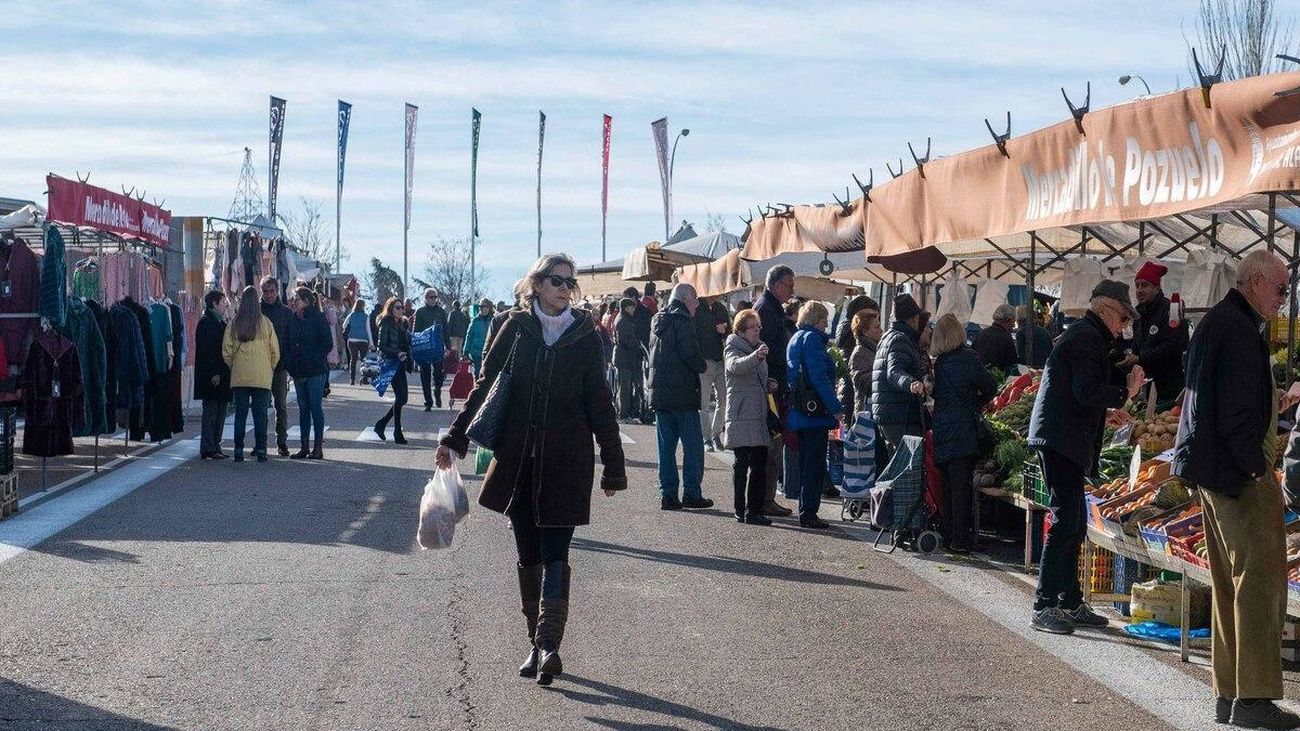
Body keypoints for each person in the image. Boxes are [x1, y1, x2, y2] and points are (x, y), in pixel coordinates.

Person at [435, 253, 625, 687]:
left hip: (566, 462)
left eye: (569, 283)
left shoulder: (585, 334)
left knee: (557, 553)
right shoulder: (515, 327)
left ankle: (549, 646)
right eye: (556, 280)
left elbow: (600, 401)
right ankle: (537, 645)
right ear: (537, 284)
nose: (564, 288)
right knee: (528, 557)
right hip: (519, 461)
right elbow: (485, 383)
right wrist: (454, 437)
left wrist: (613, 464)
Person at [1175, 251, 1298, 728]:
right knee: (1259, 583)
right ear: (1254, 282)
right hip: (1236, 475)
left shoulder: (1217, 322)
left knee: (1228, 584)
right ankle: (1255, 698)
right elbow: (1235, 412)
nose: (1284, 299)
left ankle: (1229, 694)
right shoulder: (1238, 330)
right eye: (1281, 289)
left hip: (1212, 472)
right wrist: (1256, 469)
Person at [1027, 280, 1145, 636]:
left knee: (1075, 522)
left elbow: (1077, 394)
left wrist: (1104, 413)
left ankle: (1068, 600)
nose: (1124, 326)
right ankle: (1044, 604)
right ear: (1107, 309)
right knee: (1066, 521)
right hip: (1060, 439)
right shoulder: (1086, 338)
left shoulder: (1087, 336)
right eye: (1123, 317)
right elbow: (1085, 390)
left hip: (1063, 435)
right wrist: (1126, 393)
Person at [930, 314, 998, 553]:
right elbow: (991, 387)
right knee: (962, 489)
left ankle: (949, 536)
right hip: (963, 430)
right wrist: (976, 402)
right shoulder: (969, 358)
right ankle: (960, 540)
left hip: (941, 428)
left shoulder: (939, 364)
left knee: (948, 487)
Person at [648, 283, 711, 510]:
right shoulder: (682, 320)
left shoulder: (658, 320)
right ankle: (692, 493)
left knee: (666, 449)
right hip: (682, 394)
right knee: (693, 447)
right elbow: (690, 354)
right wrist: (702, 365)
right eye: (695, 298)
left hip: (660, 395)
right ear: (685, 299)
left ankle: (668, 495)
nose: (697, 304)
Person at [786, 301, 842, 530]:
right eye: (824, 320)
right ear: (816, 320)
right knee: (814, 464)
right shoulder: (812, 340)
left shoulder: (795, 338)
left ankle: (806, 508)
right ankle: (809, 512)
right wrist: (836, 406)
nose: (826, 325)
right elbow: (819, 378)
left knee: (805, 462)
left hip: (799, 410)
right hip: (814, 413)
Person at [723, 309, 773, 526]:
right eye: (753, 326)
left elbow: (756, 376)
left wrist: (770, 383)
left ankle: (755, 510)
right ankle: (739, 508)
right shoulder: (732, 347)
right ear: (741, 330)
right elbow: (736, 366)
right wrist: (757, 356)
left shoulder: (758, 348)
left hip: (758, 413)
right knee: (742, 463)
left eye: (758, 326)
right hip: (741, 414)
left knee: (760, 464)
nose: (757, 330)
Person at [755, 265, 797, 517]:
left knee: (774, 445)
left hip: (775, 385)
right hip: (770, 388)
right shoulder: (766, 309)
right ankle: (764, 499)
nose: (792, 291)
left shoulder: (772, 308)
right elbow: (767, 350)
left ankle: (766, 497)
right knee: (770, 445)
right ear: (777, 285)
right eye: (789, 286)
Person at [222, 286, 280, 463]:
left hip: (240, 376)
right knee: (260, 415)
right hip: (261, 376)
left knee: (240, 414)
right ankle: (261, 450)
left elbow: (226, 350)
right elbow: (275, 351)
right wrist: (268, 367)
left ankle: (238, 450)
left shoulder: (234, 323)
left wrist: (235, 365)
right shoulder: (266, 323)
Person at [1122, 261, 1189, 406]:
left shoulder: (1170, 311)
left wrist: (1139, 357)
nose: (1139, 290)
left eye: (1144, 285)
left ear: (1156, 288)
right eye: (1137, 285)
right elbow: (1137, 347)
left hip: (1169, 389)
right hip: (1146, 390)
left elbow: (1175, 345)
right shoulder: (1138, 315)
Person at [872, 293, 929, 455]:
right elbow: (894, 371)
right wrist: (911, 383)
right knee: (907, 469)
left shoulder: (888, 337)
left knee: (898, 465)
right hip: (900, 414)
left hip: (889, 413)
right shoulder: (900, 339)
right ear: (912, 318)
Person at [285, 287, 333, 460]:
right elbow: (288, 342)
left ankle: (317, 448)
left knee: (315, 407)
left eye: (296, 298)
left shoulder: (318, 317)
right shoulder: (293, 318)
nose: (294, 300)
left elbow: (327, 344)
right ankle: (304, 447)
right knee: (303, 408)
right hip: (298, 370)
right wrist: (289, 362)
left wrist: (314, 358)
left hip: (315, 370)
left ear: (305, 300)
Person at [259, 276, 294, 457]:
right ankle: (261, 443)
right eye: (265, 291)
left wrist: (287, 361)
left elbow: (290, 340)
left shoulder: (286, 313)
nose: (269, 295)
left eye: (272, 291)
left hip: (280, 367)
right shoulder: (255, 311)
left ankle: (282, 442)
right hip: (260, 366)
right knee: (261, 406)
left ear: (277, 291)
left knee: (280, 405)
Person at [194, 290, 231, 460]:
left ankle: (215, 445)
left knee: (221, 411)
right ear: (214, 304)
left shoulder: (221, 323)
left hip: (223, 375)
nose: (225, 305)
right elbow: (206, 351)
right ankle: (208, 447)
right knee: (211, 412)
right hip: (212, 376)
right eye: (223, 302)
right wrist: (214, 372)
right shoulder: (205, 323)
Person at [373, 297, 412, 444]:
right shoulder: (386, 322)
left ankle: (381, 424)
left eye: (402, 308)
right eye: (397, 307)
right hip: (390, 363)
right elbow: (381, 345)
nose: (400, 310)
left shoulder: (403, 323)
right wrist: (397, 353)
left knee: (403, 398)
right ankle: (397, 432)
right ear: (390, 309)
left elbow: (407, 342)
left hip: (401, 363)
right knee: (401, 397)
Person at [835, 295, 880, 420]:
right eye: (876, 325)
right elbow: (861, 376)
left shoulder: (847, 332)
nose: (881, 330)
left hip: (849, 392)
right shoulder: (857, 344)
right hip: (857, 399)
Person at [695, 295, 729, 451]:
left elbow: (730, 331)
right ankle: (706, 438)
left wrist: (725, 329)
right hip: (704, 361)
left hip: (719, 359)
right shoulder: (697, 308)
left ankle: (716, 434)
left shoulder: (721, 308)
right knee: (703, 403)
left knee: (723, 400)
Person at [415, 288, 449, 410]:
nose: (434, 299)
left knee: (439, 373)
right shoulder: (420, 312)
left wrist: (448, 347)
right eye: (431, 297)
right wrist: (416, 348)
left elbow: (446, 329)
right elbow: (416, 332)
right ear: (426, 298)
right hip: (424, 347)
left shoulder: (441, 312)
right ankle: (428, 402)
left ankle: (437, 390)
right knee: (425, 375)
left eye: (435, 297)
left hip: (438, 347)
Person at [614, 297, 645, 422]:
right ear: (626, 307)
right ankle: (624, 414)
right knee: (625, 387)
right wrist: (637, 344)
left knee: (625, 386)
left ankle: (626, 412)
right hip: (624, 358)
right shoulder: (623, 321)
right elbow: (624, 340)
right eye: (632, 307)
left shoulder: (622, 319)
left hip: (625, 358)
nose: (634, 309)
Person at [849, 309, 883, 416]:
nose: (881, 330)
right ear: (865, 332)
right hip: (867, 412)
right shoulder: (860, 353)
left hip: (877, 408)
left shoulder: (875, 349)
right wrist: (885, 372)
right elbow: (862, 383)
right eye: (877, 327)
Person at [972, 304, 1018, 374]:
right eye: (1013, 321)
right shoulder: (1006, 338)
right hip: (998, 379)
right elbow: (1012, 364)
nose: (1014, 325)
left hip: (979, 376)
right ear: (1007, 320)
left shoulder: (981, 334)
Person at [342, 299, 371, 386]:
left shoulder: (351, 315)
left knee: (353, 359)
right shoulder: (366, 316)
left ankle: (352, 379)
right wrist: (372, 343)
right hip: (363, 341)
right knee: (364, 360)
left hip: (352, 340)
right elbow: (368, 330)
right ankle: (364, 378)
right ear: (363, 306)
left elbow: (344, 325)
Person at [464, 298, 495, 376]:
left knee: (487, 374)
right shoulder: (475, 320)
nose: (481, 308)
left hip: (489, 352)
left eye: (483, 306)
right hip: (476, 353)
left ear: (489, 308)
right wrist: (465, 352)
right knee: (478, 373)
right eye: (480, 306)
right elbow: (469, 336)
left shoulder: (494, 320)